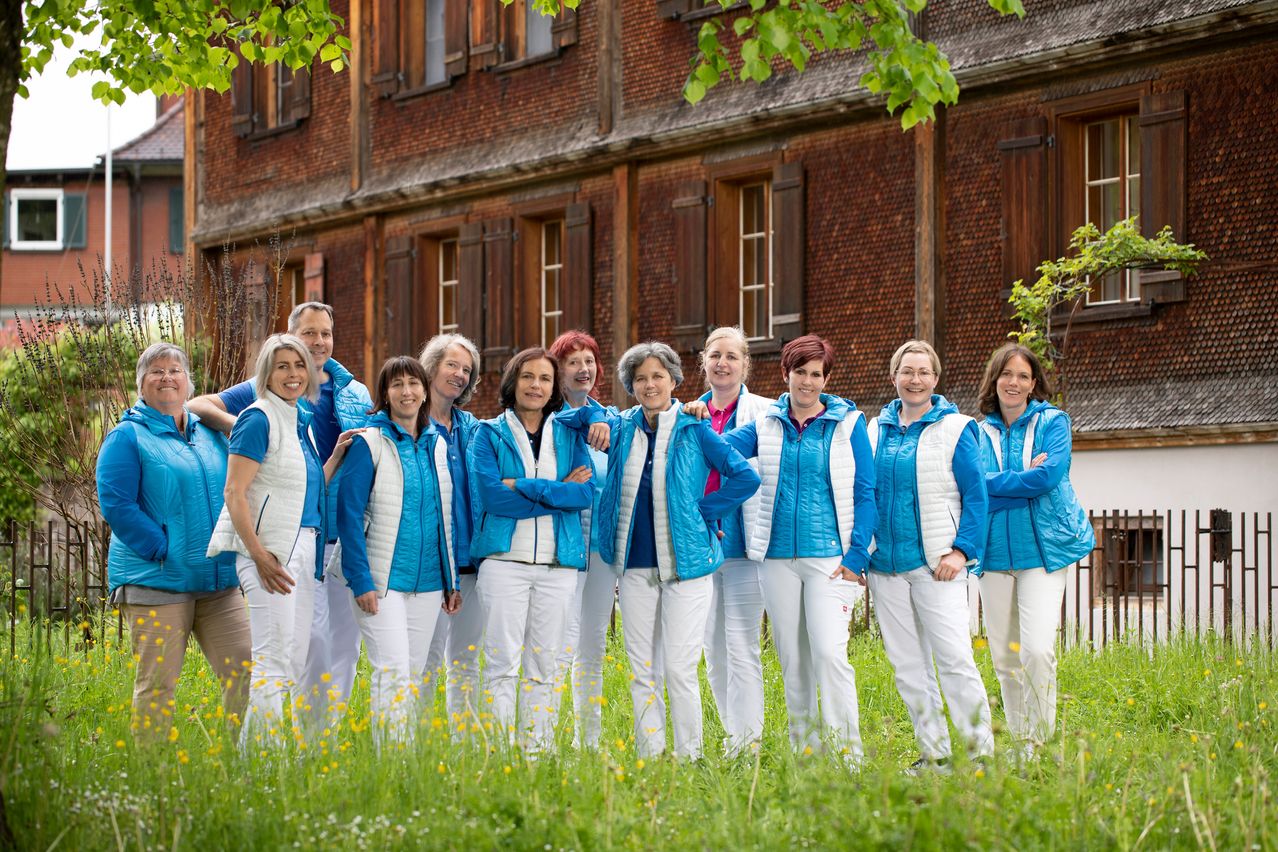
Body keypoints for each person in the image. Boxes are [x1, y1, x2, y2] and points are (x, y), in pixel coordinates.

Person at [190, 302, 370, 731]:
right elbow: (234, 491)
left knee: (293, 656)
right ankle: (261, 767)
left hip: (309, 541)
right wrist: (258, 554)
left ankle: (285, 755)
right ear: (266, 375)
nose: (295, 371)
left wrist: (339, 453)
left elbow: (310, 485)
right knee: (275, 660)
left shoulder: (299, 418)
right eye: (285, 365)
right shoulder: (259, 416)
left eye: (324, 334)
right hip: (273, 547)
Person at [590, 342, 760, 760]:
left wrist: (703, 512)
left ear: (673, 381)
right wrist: (597, 420)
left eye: (658, 377)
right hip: (633, 567)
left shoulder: (694, 426)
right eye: (641, 378)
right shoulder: (622, 427)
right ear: (631, 385)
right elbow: (573, 413)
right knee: (642, 670)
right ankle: (651, 754)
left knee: (680, 668)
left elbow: (743, 477)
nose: (650, 385)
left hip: (687, 567)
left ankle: (690, 755)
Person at [721, 334, 874, 762]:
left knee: (828, 653)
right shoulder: (767, 423)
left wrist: (857, 554)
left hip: (829, 559)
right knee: (793, 659)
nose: (807, 382)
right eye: (800, 372)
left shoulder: (848, 423)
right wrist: (692, 418)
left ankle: (849, 758)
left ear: (826, 378)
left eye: (816, 374)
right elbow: (721, 449)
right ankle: (805, 752)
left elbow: (866, 490)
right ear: (784, 373)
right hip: (776, 561)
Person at [97, 342, 251, 739]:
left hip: (218, 582)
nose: (167, 378)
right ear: (141, 385)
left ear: (188, 382)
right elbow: (116, 503)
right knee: (157, 688)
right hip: (157, 582)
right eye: (156, 372)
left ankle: (247, 762)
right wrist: (162, 548)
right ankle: (153, 779)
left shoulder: (209, 434)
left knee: (247, 672)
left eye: (175, 370)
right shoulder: (127, 437)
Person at [866, 339, 993, 772]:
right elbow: (864, 494)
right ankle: (934, 754)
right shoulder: (873, 429)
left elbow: (977, 495)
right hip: (886, 566)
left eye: (923, 371)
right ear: (894, 377)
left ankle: (979, 756)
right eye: (907, 370)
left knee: (955, 660)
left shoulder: (958, 428)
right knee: (907, 666)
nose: (914, 379)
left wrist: (962, 552)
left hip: (938, 566)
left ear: (935, 379)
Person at [467, 347, 595, 752]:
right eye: (527, 377)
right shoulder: (487, 434)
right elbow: (492, 499)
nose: (535, 385)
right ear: (512, 382)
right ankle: (500, 755)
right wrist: (559, 491)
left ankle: (535, 754)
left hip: (559, 566)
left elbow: (585, 495)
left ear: (553, 386)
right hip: (504, 564)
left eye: (543, 378)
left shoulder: (569, 433)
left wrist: (521, 484)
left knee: (545, 666)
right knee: (501, 663)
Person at [336, 357, 462, 746]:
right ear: (385, 394)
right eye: (397, 385)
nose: (406, 392)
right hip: (380, 580)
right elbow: (348, 514)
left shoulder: (437, 444)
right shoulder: (368, 442)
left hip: (426, 583)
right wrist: (361, 580)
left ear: (425, 391)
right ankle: (390, 762)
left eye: (413, 383)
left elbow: (446, 516)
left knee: (411, 671)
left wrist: (450, 579)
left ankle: (404, 762)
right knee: (390, 670)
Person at [976, 342, 1094, 755]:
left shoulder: (1052, 423)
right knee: (1005, 658)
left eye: (1023, 376)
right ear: (995, 380)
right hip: (991, 555)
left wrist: (997, 482)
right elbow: (970, 487)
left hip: (1042, 554)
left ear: (1033, 384)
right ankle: (1019, 740)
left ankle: (1040, 744)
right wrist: (1018, 478)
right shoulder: (976, 431)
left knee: (1037, 650)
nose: (1014, 382)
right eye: (1007, 374)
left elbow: (1046, 479)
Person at [692, 326, 773, 756]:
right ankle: (732, 736)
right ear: (703, 361)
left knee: (741, 644)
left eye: (731, 356)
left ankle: (750, 740)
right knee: (711, 647)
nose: (722, 363)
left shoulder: (764, 411)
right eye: (715, 355)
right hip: (700, 543)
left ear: (745, 364)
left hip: (744, 543)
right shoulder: (688, 413)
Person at [547, 329, 616, 749]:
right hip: (562, 545)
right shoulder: (546, 419)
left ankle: (586, 741)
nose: (582, 369)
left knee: (591, 645)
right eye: (572, 361)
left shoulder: (609, 419)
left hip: (601, 549)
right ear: (557, 370)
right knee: (556, 643)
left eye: (588, 360)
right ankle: (543, 739)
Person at [418, 333, 484, 736]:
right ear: (431, 366)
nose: (459, 375)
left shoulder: (473, 430)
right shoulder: (409, 424)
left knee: (466, 658)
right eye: (452, 365)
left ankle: (465, 746)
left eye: (466, 370)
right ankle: (418, 746)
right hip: (428, 563)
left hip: (471, 562)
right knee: (425, 660)